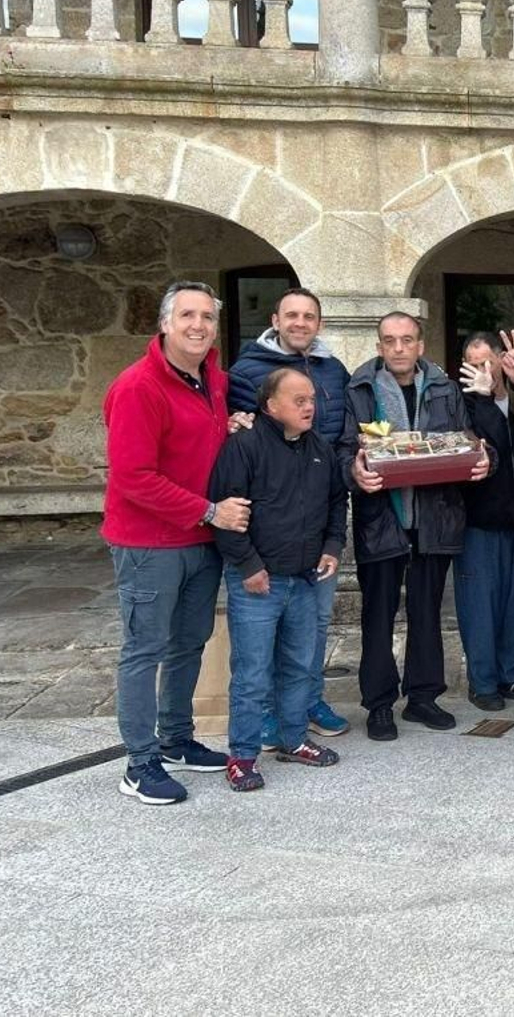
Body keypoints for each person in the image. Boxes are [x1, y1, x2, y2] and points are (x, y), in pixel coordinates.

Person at [104, 281, 245, 804]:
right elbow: (133, 476)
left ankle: (177, 739)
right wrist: (209, 510)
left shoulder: (210, 379)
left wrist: (229, 425)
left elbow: (195, 446)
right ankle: (139, 764)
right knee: (144, 649)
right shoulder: (139, 386)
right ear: (165, 323)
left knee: (189, 643)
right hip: (149, 544)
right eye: (187, 315)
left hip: (199, 539)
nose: (198, 325)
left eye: (207, 317)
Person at [339, 312, 489, 742]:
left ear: (421, 345)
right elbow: (345, 447)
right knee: (378, 614)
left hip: (435, 516)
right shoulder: (359, 388)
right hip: (381, 519)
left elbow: (469, 436)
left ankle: (423, 697)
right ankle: (380, 704)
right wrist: (354, 469)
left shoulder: (444, 388)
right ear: (380, 346)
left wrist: (483, 456)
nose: (399, 348)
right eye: (390, 340)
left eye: (407, 340)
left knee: (426, 612)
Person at [209, 367, 348, 791]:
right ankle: (244, 756)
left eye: (311, 399)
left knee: (300, 667)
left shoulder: (319, 448)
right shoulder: (243, 447)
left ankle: (292, 740)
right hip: (258, 583)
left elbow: (336, 501)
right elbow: (224, 513)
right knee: (252, 673)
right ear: (271, 406)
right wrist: (249, 566)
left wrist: (333, 546)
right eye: (298, 400)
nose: (310, 407)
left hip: (306, 579)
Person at [226, 286, 353, 740]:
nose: (301, 323)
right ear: (275, 320)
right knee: (264, 633)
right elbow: (231, 435)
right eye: (292, 315)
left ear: (319, 323)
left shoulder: (333, 370)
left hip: (319, 510)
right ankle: (264, 713)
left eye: (310, 316)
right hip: (271, 524)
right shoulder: (246, 371)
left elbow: (343, 433)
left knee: (314, 623)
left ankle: (307, 700)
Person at [456, 332, 514, 710]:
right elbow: (491, 446)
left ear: (500, 361)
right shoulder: (462, 405)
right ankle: (483, 682)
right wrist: (481, 398)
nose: (482, 371)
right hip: (478, 522)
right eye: (473, 364)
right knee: (480, 606)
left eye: (486, 363)